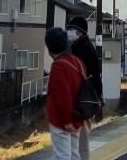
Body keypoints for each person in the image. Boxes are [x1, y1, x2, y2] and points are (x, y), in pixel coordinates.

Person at [45, 27, 87, 160]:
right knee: (74, 154)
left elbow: (63, 95)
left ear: (49, 47)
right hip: (77, 116)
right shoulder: (78, 62)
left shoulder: (58, 66)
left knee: (62, 156)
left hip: (62, 120)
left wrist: (66, 121)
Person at [67, 16, 103, 160]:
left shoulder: (83, 48)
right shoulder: (82, 46)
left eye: (71, 29)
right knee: (78, 139)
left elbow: (88, 75)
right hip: (85, 99)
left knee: (80, 139)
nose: (68, 32)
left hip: (82, 100)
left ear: (79, 32)